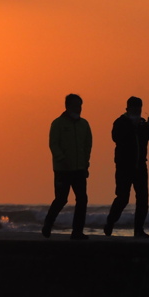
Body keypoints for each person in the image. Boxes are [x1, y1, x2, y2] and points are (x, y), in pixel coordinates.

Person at [103, 96, 149, 238]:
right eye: (134, 108)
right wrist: (132, 128)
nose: (137, 111)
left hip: (140, 166)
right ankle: (110, 222)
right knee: (123, 198)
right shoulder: (120, 122)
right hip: (124, 167)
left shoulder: (142, 123)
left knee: (143, 199)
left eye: (139, 108)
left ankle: (138, 230)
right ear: (128, 108)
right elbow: (116, 137)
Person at [41, 93, 92, 240]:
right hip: (63, 169)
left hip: (79, 169)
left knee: (82, 199)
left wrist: (85, 163)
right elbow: (53, 144)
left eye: (80, 106)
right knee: (61, 199)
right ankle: (48, 224)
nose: (79, 109)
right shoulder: (58, 123)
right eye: (76, 106)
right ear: (68, 106)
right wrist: (62, 159)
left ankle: (77, 232)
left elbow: (88, 145)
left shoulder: (84, 124)